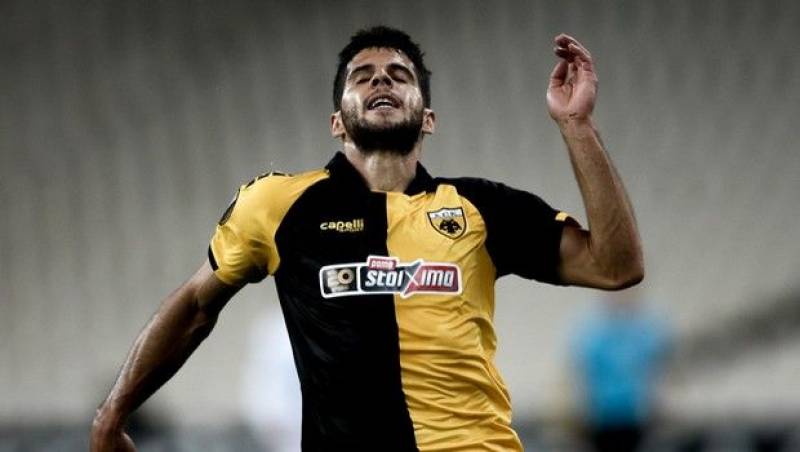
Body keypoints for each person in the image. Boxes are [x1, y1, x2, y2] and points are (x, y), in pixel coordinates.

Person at [90, 26, 643, 452]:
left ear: (428, 119)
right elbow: (194, 305)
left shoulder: (481, 207)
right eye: (363, 76)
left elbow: (616, 266)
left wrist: (577, 126)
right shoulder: (278, 205)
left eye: (400, 75)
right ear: (337, 122)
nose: (382, 81)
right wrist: (113, 414)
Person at [570, 290, 670, 452]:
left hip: (634, 414)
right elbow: (583, 373)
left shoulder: (645, 331)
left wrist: (655, 404)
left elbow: (656, 370)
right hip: (602, 415)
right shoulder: (593, 333)